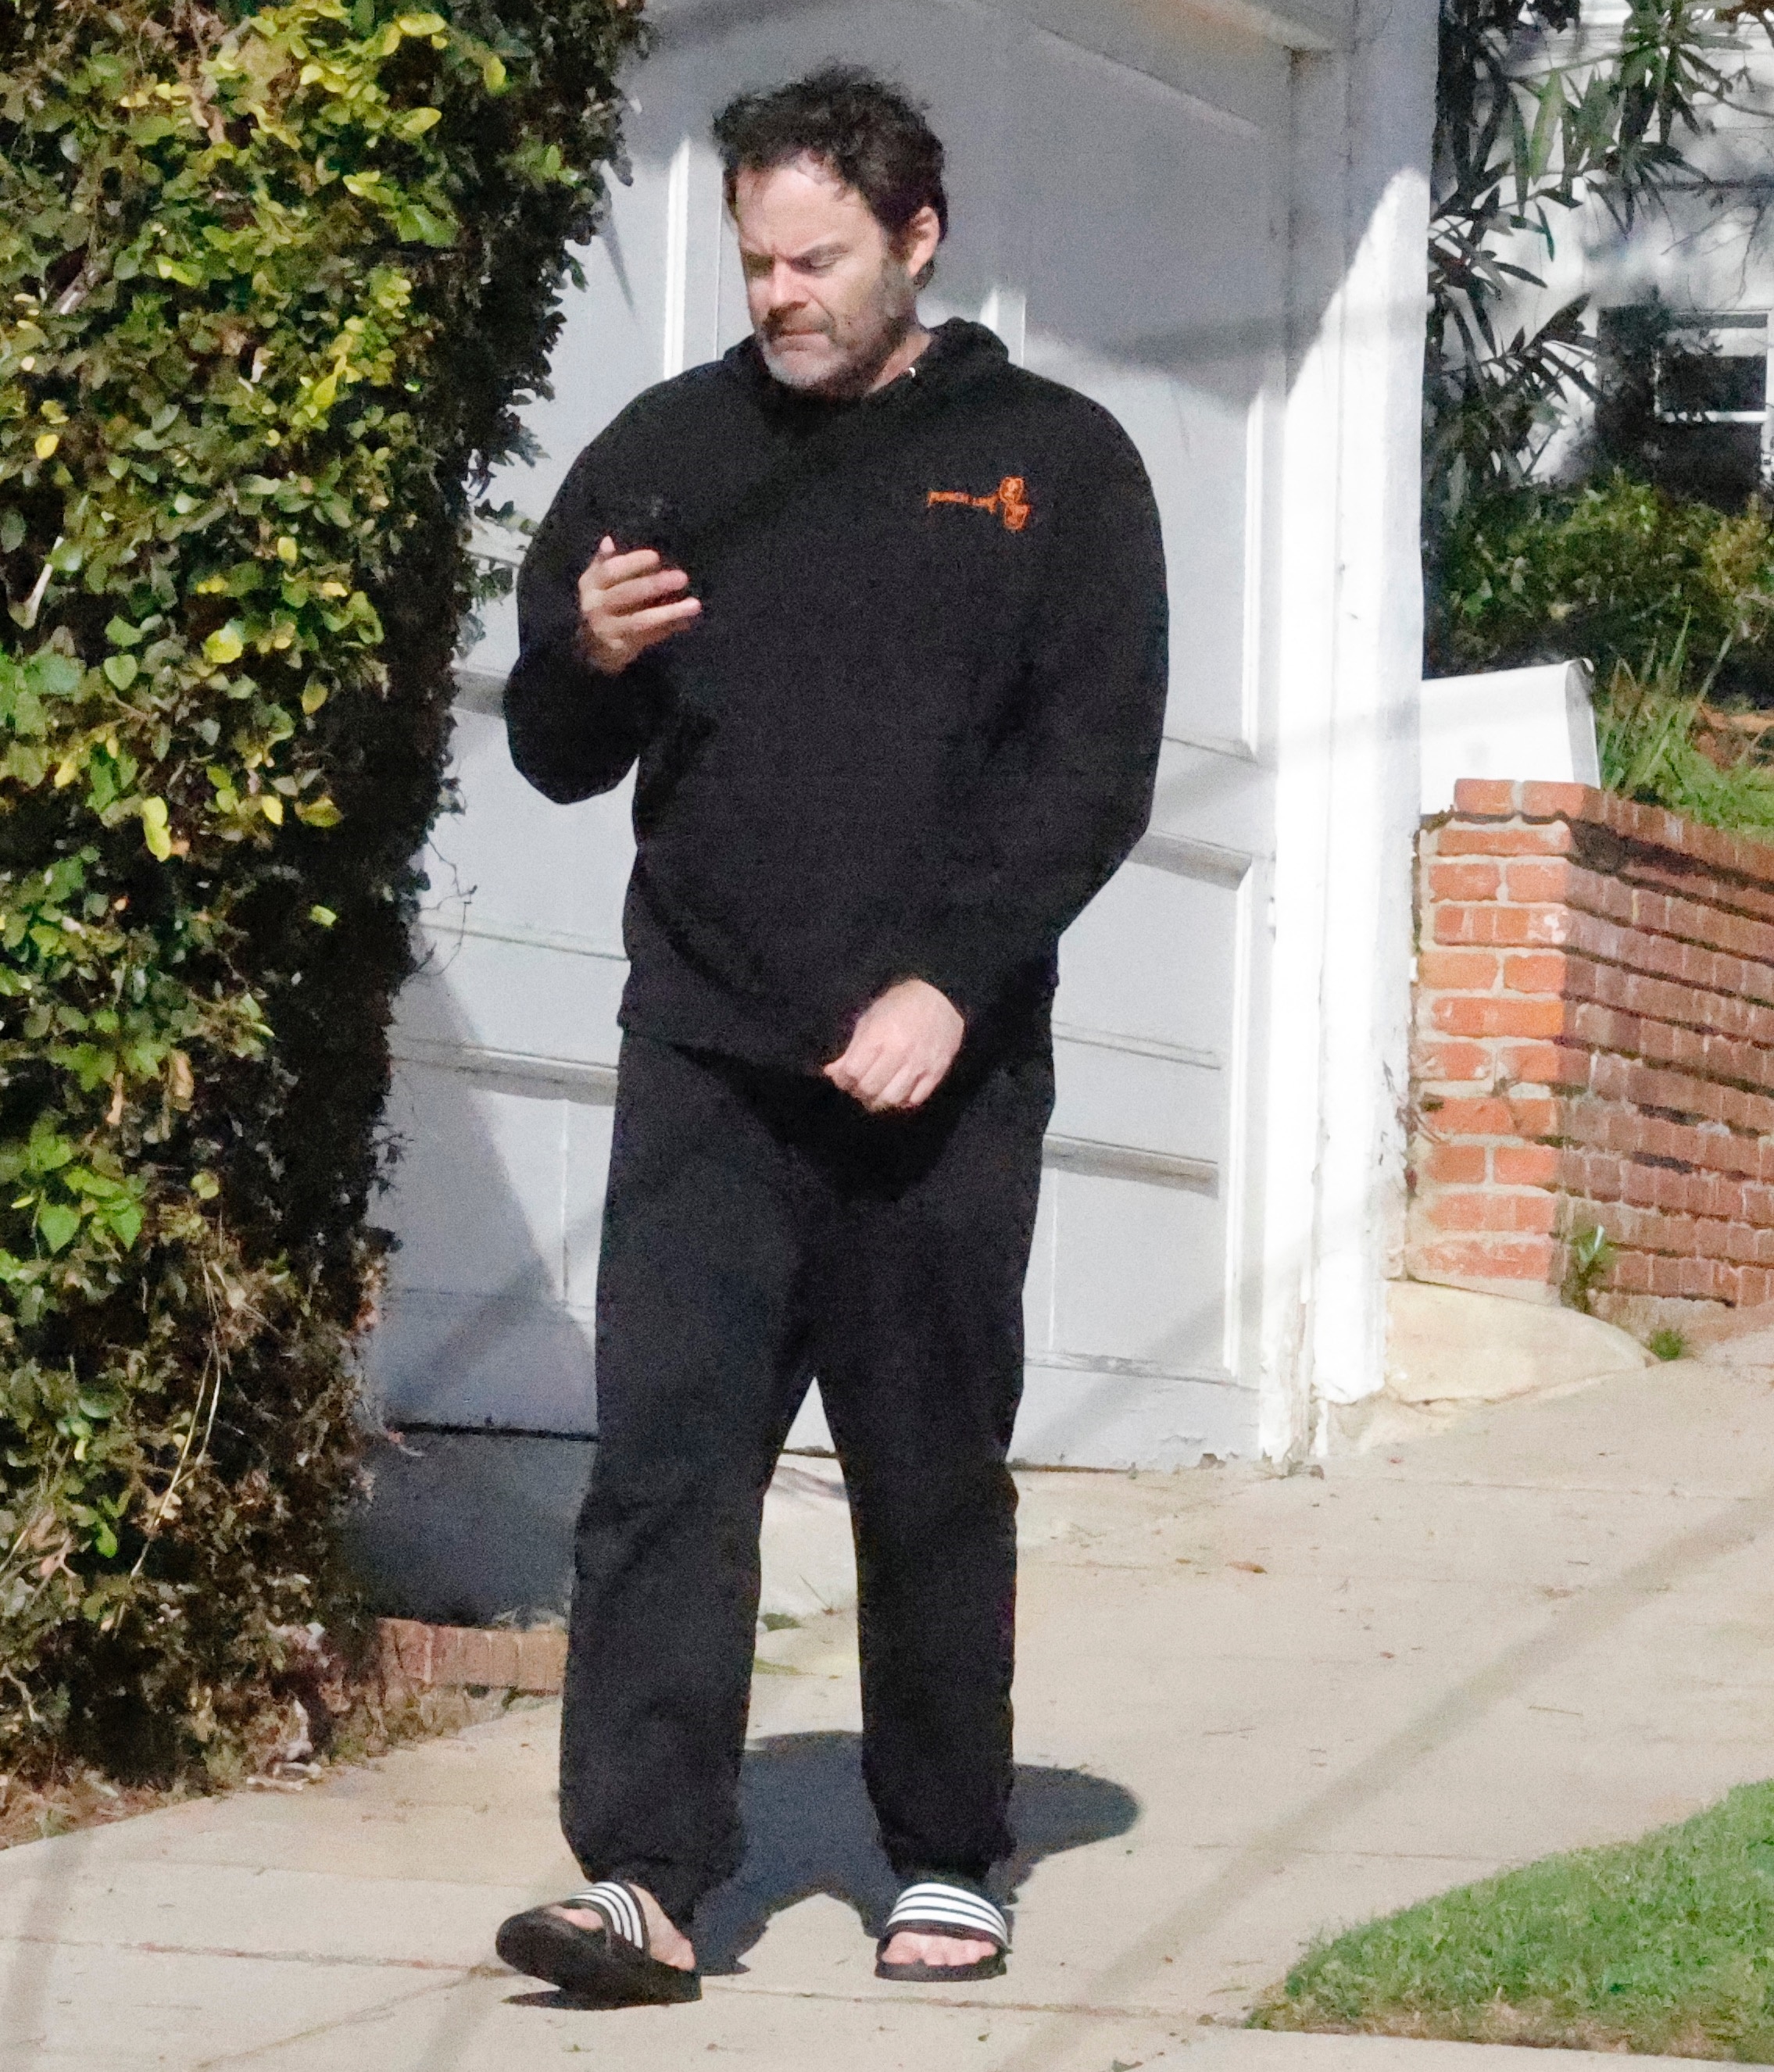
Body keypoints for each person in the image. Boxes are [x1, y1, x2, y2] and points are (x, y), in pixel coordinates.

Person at [493, 65, 1168, 2008]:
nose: (779, 296)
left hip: (935, 1079)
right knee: (664, 1474)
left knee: (925, 1471)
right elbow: (553, 751)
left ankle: (948, 1851)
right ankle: (642, 1876)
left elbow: (1087, 769)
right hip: (707, 1053)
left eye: (817, 261)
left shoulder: (1055, 461)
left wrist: (951, 980)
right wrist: (587, 654)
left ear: (917, 240)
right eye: (756, 263)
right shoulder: (666, 451)